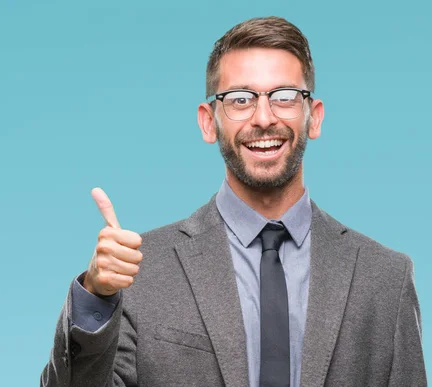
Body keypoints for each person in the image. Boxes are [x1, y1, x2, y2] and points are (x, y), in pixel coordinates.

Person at [40, 16, 426, 387]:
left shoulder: (385, 280)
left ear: (314, 117)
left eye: (285, 96)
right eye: (240, 99)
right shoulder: (139, 271)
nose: (263, 117)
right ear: (209, 122)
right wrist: (96, 295)